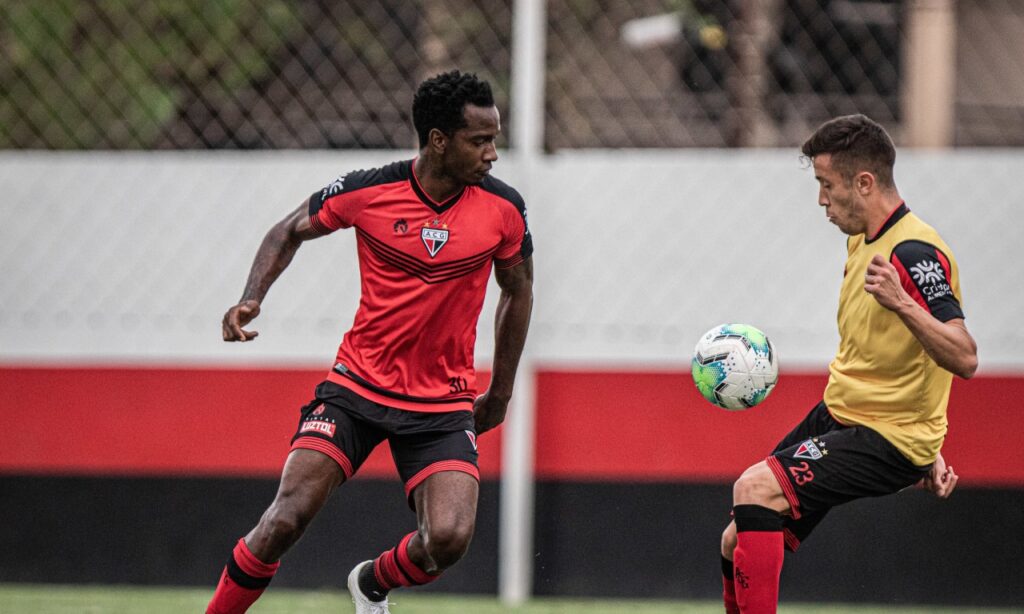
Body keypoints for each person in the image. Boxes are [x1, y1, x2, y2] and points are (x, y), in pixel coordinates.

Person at [205, 70, 533, 614]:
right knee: (283, 519)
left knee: (447, 540)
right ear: (438, 140)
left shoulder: (504, 209)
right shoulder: (370, 190)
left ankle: (372, 583)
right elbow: (289, 228)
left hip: (441, 403)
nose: (493, 153)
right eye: (480, 140)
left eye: (494, 138)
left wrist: (499, 393)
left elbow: (517, 293)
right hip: (356, 388)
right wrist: (251, 296)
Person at [718, 114, 977, 613]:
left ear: (864, 182)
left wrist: (904, 305)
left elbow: (963, 355)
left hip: (887, 437)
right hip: (844, 417)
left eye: (825, 185)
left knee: (753, 486)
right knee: (735, 540)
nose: (821, 200)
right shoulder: (862, 239)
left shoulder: (914, 252)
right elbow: (895, 362)